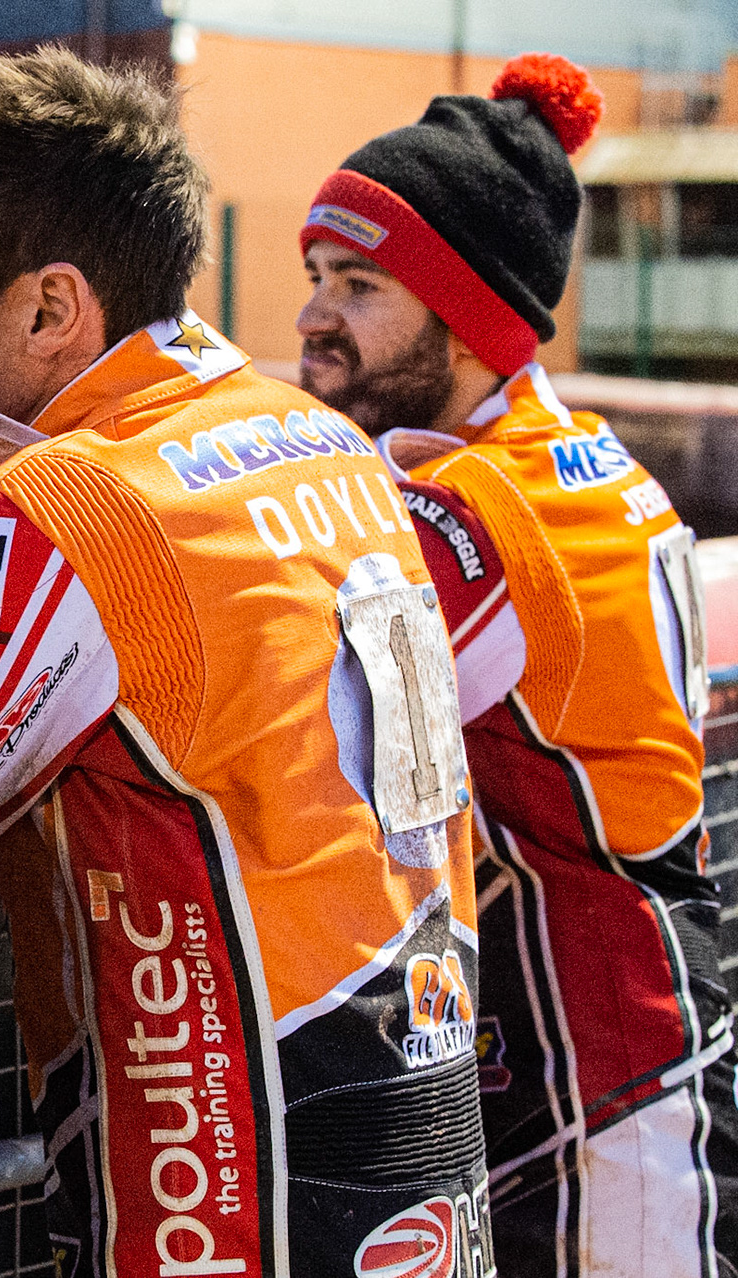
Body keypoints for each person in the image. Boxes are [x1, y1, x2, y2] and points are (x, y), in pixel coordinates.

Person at [0, 47, 489, 1276]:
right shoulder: (322, 436)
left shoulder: (54, 510)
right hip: (424, 1146)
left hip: (226, 1209)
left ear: (50, 310)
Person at [297, 53, 736, 1275]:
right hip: (625, 1039)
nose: (315, 317)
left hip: (601, 1081)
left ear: (472, 317)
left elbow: (291, 713)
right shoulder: (574, 462)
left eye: (361, 285)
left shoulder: (485, 505)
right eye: (316, 277)